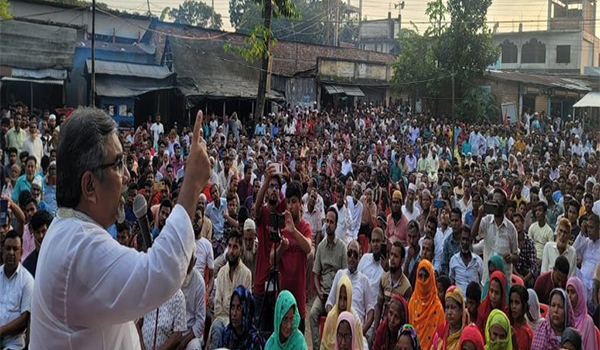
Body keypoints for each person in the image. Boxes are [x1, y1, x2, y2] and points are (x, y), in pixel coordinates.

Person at [30, 108, 211, 349]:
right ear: (89, 185)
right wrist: (191, 185)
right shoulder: (78, 248)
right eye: (117, 164)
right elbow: (161, 272)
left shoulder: (70, 231)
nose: (127, 175)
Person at [271, 181, 312, 332]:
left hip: (298, 303)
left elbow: (308, 247)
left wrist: (294, 230)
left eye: (294, 202)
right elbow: (272, 259)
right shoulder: (281, 228)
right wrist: (282, 247)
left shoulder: (305, 228)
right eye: (288, 202)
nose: (290, 206)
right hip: (282, 300)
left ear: (301, 203)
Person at [311, 207, 348, 350]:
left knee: (336, 319)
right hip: (323, 293)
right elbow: (316, 275)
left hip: (337, 296)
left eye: (331, 222)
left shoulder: (342, 247)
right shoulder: (320, 247)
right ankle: (317, 347)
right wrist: (319, 292)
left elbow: (345, 276)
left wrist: (338, 297)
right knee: (313, 314)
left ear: (336, 225)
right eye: (327, 221)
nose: (328, 224)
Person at [209, 230, 252, 350]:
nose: (231, 251)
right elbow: (217, 306)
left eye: (235, 247)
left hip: (238, 323)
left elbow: (246, 307)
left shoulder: (246, 274)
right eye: (230, 246)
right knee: (217, 329)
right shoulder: (222, 272)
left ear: (241, 250)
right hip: (221, 319)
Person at [326, 240, 374, 337]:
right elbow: (329, 303)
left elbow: (371, 311)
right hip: (338, 328)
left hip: (356, 330)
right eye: (349, 253)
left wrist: (362, 332)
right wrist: (333, 321)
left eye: (355, 254)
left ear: (360, 257)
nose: (352, 256)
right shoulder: (340, 274)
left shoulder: (364, 281)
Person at [471, 188, 519, 286]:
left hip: (504, 281)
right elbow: (473, 235)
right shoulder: (486, 221)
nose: (496, 205)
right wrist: (479, 216)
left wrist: (511, 257)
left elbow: (516, 256)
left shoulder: (511, 229)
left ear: (505, 208)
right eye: (494, 202)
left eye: (499, 202)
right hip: (487, 280)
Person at [0, 230, 34, 350]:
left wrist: (1, 332)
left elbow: (24, 319)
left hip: (14, 344)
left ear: (21, 253)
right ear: (2, 251)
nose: (11, 253)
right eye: (8, 248)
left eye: (15, 249)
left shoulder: (27, 280)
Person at [373, 241, 411, 334]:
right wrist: (375, 330)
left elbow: (405, 316)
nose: (392, 259)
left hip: (396, 331)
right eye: (391, 255)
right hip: (383, 326)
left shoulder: (406, 287)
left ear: (402, 260)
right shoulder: (384, 279)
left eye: (396, 256)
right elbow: (379, 305)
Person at [321, 275, 365, 350]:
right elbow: (324, 345)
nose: (342, 304)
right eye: (340, 298)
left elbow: (359, 347)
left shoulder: (355, 320)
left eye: (345, 299)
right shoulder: (331, 318)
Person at [409, 260, 445, 350]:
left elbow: (441, 338)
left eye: (426, 277)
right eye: (420, 276)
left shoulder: (437, 307)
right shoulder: (413, 302)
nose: (423, 281)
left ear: (432, 279)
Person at [217, 285, 264, 350]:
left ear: (247, 311)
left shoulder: (255, 340)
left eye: (239, 308)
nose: (234, 313)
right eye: (232, 307)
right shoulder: (226, 334)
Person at [179, 255, 206, 350]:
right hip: (173, 333)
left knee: (193, 347)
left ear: (194, 261)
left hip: (190, 335)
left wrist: (183, 343)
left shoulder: (199, 282)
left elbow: (200, 321)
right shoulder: (175, 276)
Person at [431, 286, 470, 350]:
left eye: (453, 307)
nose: (449, 312)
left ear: (461, 310)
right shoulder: (441, 330)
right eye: (447, 307)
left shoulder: (467, 335)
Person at [565, 276, 598, 350]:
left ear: (579, 294)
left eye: (572, 292)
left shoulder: (587, 322)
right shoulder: (564, 317)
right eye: (567, 292)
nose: (569, 296)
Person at [449, 227, 483, 296]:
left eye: (467, 240)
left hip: (475, 302)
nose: (465, 242)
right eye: (463, 239)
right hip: (459, 303)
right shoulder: (453, 260)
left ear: (471, 241)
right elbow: (451, 282)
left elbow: (482, 282)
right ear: (460, 240)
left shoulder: (478, 261)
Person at [358, 227, 386, 308]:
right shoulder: (365, 258)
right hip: (361, 305)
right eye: (373, 241)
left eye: (378, 241)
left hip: (376, 308)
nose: (375, 244)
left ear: (383, 242)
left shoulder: (387, 266)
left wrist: (387, 270)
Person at [476, 271, 509, 335]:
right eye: (491, 291)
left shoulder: (506, 313)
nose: (493, 296)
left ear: (502, 294)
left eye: (497, 293)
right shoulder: (483, 310)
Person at [21, 210, 52, 278]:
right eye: (38, 232)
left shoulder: (59, 255)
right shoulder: (28, 264)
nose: (41, 236)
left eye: (43, 231)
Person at [509, 285, 533, 350]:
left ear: (524, 305)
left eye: (517, 303)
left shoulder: (525, 333)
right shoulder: (511, 323)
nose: (513, 306)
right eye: (511, 302)